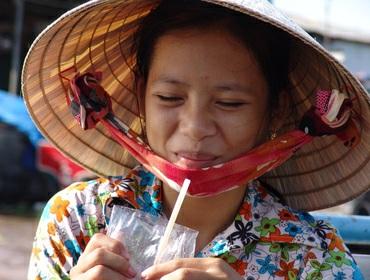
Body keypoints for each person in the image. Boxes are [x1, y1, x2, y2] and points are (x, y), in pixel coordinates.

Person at [22, 0, 370, 279]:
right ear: (142, 95)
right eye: (170, 98)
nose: (195, 128)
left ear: (275, 111)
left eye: (229, 103)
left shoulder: (314, 257)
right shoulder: (79, 220)